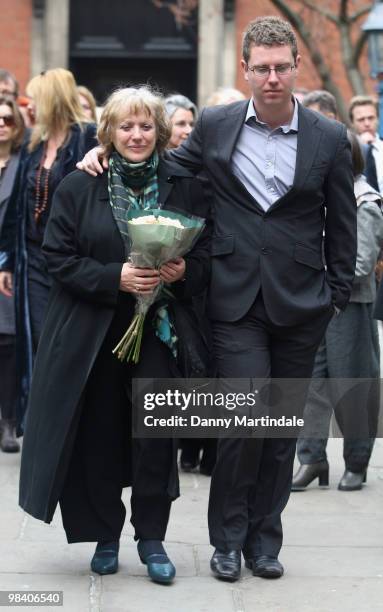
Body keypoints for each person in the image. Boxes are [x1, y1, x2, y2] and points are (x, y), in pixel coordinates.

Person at [77, 16, 356, 581]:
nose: (273, 77)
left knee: (280, 430)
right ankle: (225, 539)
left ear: (296, 67)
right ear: (246, 70)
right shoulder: (217, 124)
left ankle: (264, 540)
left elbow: (342, 223)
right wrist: (100, 157)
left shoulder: (328, 137)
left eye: (282, 67)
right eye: (262, 68)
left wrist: (335, 294)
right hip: (234, 300)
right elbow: (164, 167)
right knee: (241, 423)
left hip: (303, 302)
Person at [19, 86, 211, 583]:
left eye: (146, 125)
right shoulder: (79, 185)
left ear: (160, 131)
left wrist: (184, 269)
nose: (137, 135)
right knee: (101, 434)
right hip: (96, 331)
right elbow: (56, 258)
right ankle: (106, 535)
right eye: (126, 126)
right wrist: (115, 278)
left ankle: (152, 539)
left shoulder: (183, 183)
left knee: (154, 438)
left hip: (158, 330)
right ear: (108, 132)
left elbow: (211, 256)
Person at [0, 68, 97, 428]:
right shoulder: (32, 144)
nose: (29, 105)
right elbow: (17, 209)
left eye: (36, 97)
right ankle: (46, 420)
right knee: (39, 339)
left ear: (53, 99)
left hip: (72, 258)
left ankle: (73, 419)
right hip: (32, 260)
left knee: (68, 342)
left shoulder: (86, 138)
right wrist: (7, 260)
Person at [292, 129, 383, 492]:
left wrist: (310, 270)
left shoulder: (366, 203)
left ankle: (356, 462)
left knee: (353, 384)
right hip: (315, 305)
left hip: (350, 306)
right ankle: (311, 458)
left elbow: (360, 265)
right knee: (310, 384)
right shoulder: (319, 197)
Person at [0, 97, 25, 452]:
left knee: (7, 341)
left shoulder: (23, 162)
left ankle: (8, 420)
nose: (1, 124)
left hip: (8, 264)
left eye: (7, 118)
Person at [349, 95, 382, 194]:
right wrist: (360, 146)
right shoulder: (346, 152)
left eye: (371, 118)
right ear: (352, 123)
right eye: (361, 119)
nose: (367, 123)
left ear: (378, 119)